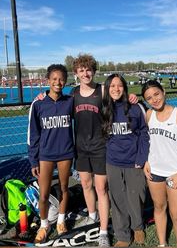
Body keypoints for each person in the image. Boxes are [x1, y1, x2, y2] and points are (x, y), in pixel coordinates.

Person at [72, 54, 138, 247]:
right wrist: (43, 96)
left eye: (88, 69)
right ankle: (92, 217)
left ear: (94, 71)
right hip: (81, 148)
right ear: (76, 73)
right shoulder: (74, 93)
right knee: (85, 184)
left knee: (101, 188)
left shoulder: (102, 90)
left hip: (100, 147)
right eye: (81, 70)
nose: (85, 73)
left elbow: (119, 99)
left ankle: (102, 232)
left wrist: (131, 97)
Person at [28, 64, 75, 243]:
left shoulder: (69, 101)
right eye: (54, 79)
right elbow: (33, 134)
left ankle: (61, 221)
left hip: (65, 153)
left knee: (64, 188)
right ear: (48, 81)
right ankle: (44, 224)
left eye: (61, 79)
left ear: (65, 81)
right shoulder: (38, 103)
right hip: (45, 155)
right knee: (44, 194)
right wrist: (33, 160)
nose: (58, 82)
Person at [141, 80, 177, 247]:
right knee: (159, 208)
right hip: (154, 171)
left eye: (156, 94)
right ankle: (162, 244)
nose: (154, 99)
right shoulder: (149, 114)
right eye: (149, 98)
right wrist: (146, 161)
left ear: (163, 91)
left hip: (175, 173)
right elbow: (148, 141)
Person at [102, 74, 149, 247]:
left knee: (136, 195)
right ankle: (123, 235)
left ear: (124, 87)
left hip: (133, 161)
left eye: (119, 85)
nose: (116, 89)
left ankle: (137, 227)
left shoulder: (136, 107)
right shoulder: (104, 108)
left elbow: (144, 133)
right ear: (107, 89)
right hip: (113, 161)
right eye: (112, 86)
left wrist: (141, 157)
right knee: (118, 198)